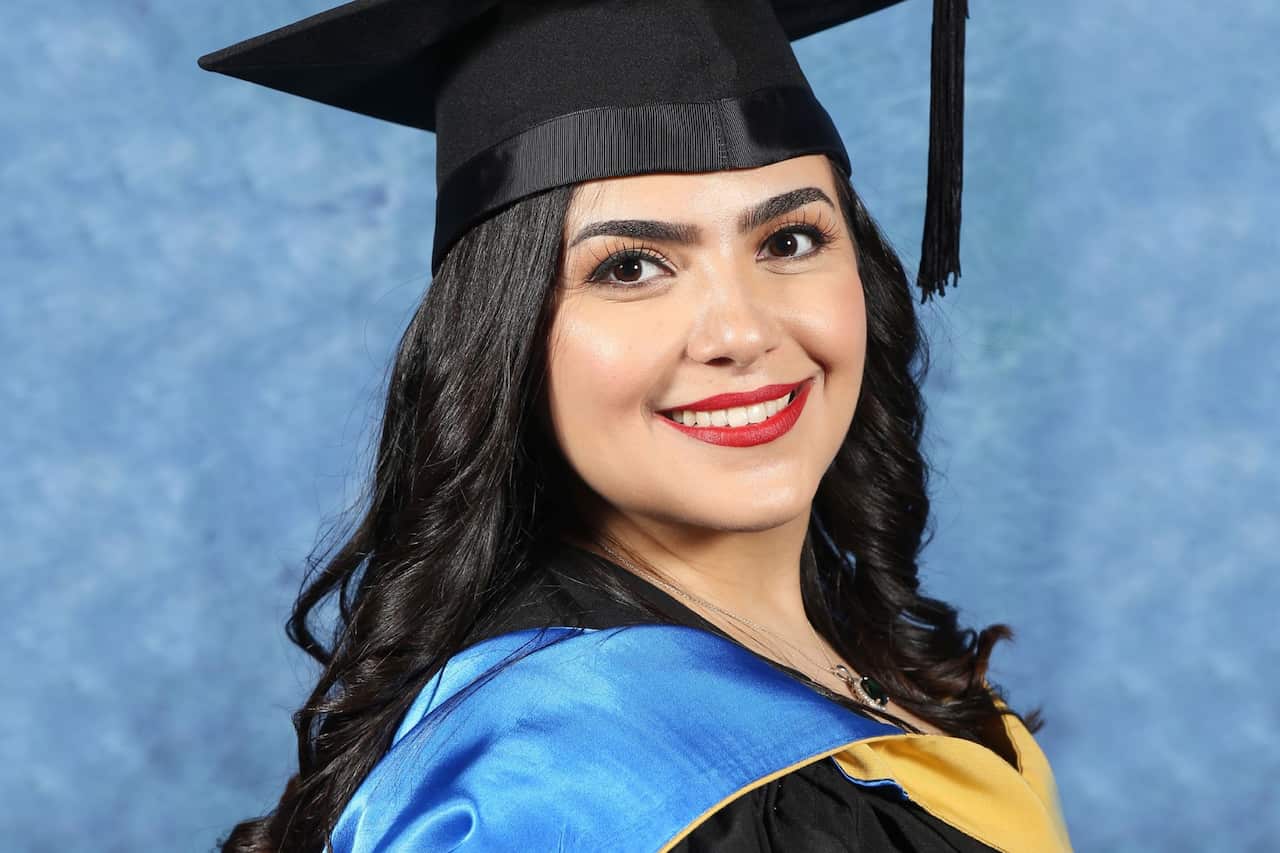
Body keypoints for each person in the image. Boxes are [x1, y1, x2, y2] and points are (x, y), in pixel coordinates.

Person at [200, 1, 1072, 850]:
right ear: (505, 341)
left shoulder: (891, 670)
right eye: (630, 267)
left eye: (790, 241)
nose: (741, 331)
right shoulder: (554, 784)